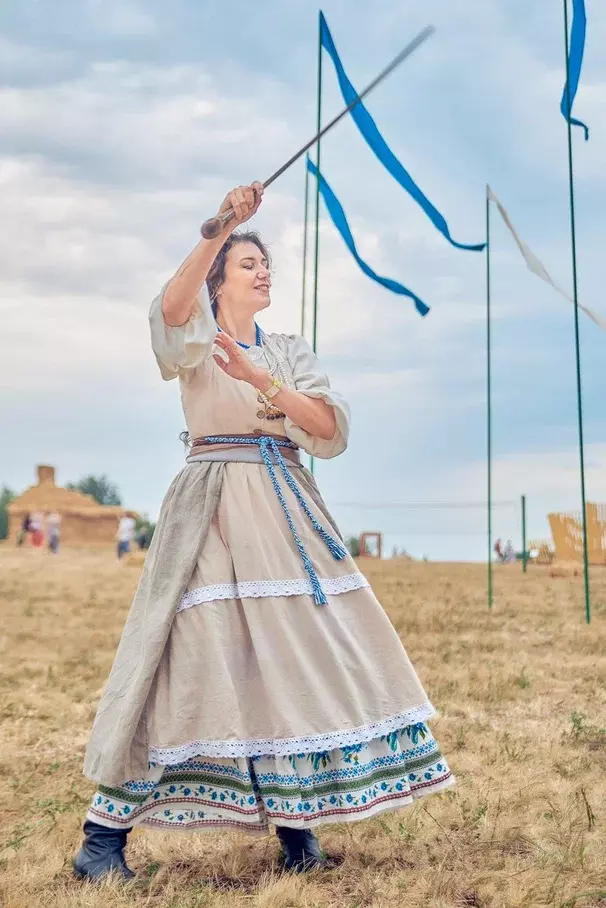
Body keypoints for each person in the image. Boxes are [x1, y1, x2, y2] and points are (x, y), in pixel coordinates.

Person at [74, 183, 454, 882]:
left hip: (287, 512)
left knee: (295, 662)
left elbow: (327, 427)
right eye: (248, 264)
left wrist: (261, 379)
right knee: (190, 659)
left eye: (265, 263)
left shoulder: (286, 350)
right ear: (219, 280)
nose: (263, 272)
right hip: (214, 507)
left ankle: (297, 830)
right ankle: (103, 837)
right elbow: (171, 308)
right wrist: (222, 228)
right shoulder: (197, 335)